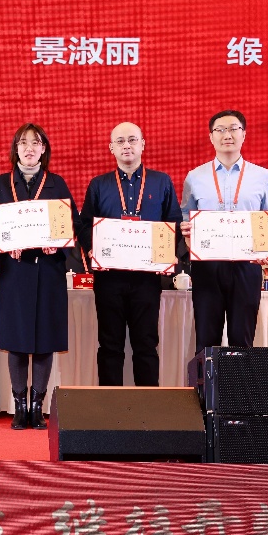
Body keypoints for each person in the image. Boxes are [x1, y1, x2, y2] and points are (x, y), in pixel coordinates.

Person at [0, 123, 76, 429]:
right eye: (23, 143)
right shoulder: (0, 184)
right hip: (16, 272)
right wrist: (5, 246)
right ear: (16, 149)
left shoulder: (57, 184)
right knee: (17, 339)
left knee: (45, 339)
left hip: (49, 272)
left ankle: (38, 406)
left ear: (44, 149)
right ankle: (20, 406)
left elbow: (70, 223)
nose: (29, 148)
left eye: (35, 143)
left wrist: (57, 244)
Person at [76, 121, 182, 386]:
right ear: (111, 148)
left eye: (132, 140)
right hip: (109, 277)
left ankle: (148, 405)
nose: (127, 145)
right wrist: (94, 248)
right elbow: (85, 224)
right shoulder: (98, 185)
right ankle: (109, 406)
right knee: (109, 345)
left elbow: (174, 223)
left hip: (146, 278)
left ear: (142, 144)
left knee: (146, 344)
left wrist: (166, 252)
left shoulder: (161, 182)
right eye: (120, 141)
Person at [181, 110, 268, 350]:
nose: (227, 135)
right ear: (211, 137)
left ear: (244, 134)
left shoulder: (262, 176)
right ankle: (207, 378)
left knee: (242, 341)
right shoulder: (194, 177)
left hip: (247, 265)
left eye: (233, 129)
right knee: (206, 341)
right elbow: (186, 214)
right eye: (220, 130)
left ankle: (240, 378)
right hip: (207, 266)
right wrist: (187, 232)